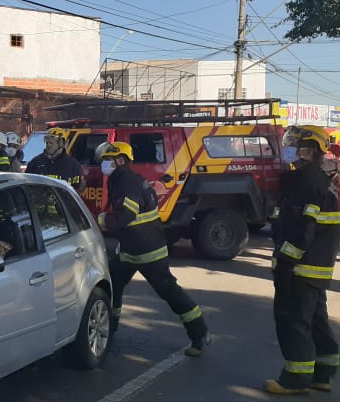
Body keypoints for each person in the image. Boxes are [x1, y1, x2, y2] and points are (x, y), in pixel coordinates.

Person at [96, 141, 209, 356]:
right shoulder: (120, 179)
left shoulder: (127, 181)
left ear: (121, 160)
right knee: (113, 284)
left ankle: (200, 333)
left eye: (108, 160)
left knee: (168, 290)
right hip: (131, 247)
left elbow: (127, 215)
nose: (105, 164)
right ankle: (109, 329)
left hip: (147, 249)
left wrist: (103, 221)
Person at [265, 125, 340, 395]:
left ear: (310, 151)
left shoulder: (306, 181)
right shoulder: (318, 180)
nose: (290, 150)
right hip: (316, 267)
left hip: (301, 267)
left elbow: (302, 230)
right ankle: (322, 372)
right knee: (316, 318)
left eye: (295, 146)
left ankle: (295, 379)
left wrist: (285, 263)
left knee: (293, 319)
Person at [25, 127, 85, 192]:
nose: (48, 145)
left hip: (62, 201)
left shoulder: (73, 165)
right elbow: (27, 185)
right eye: (47, 143)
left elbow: (77, 189)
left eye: (51, 143)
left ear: (61, 143)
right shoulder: (36, 162)